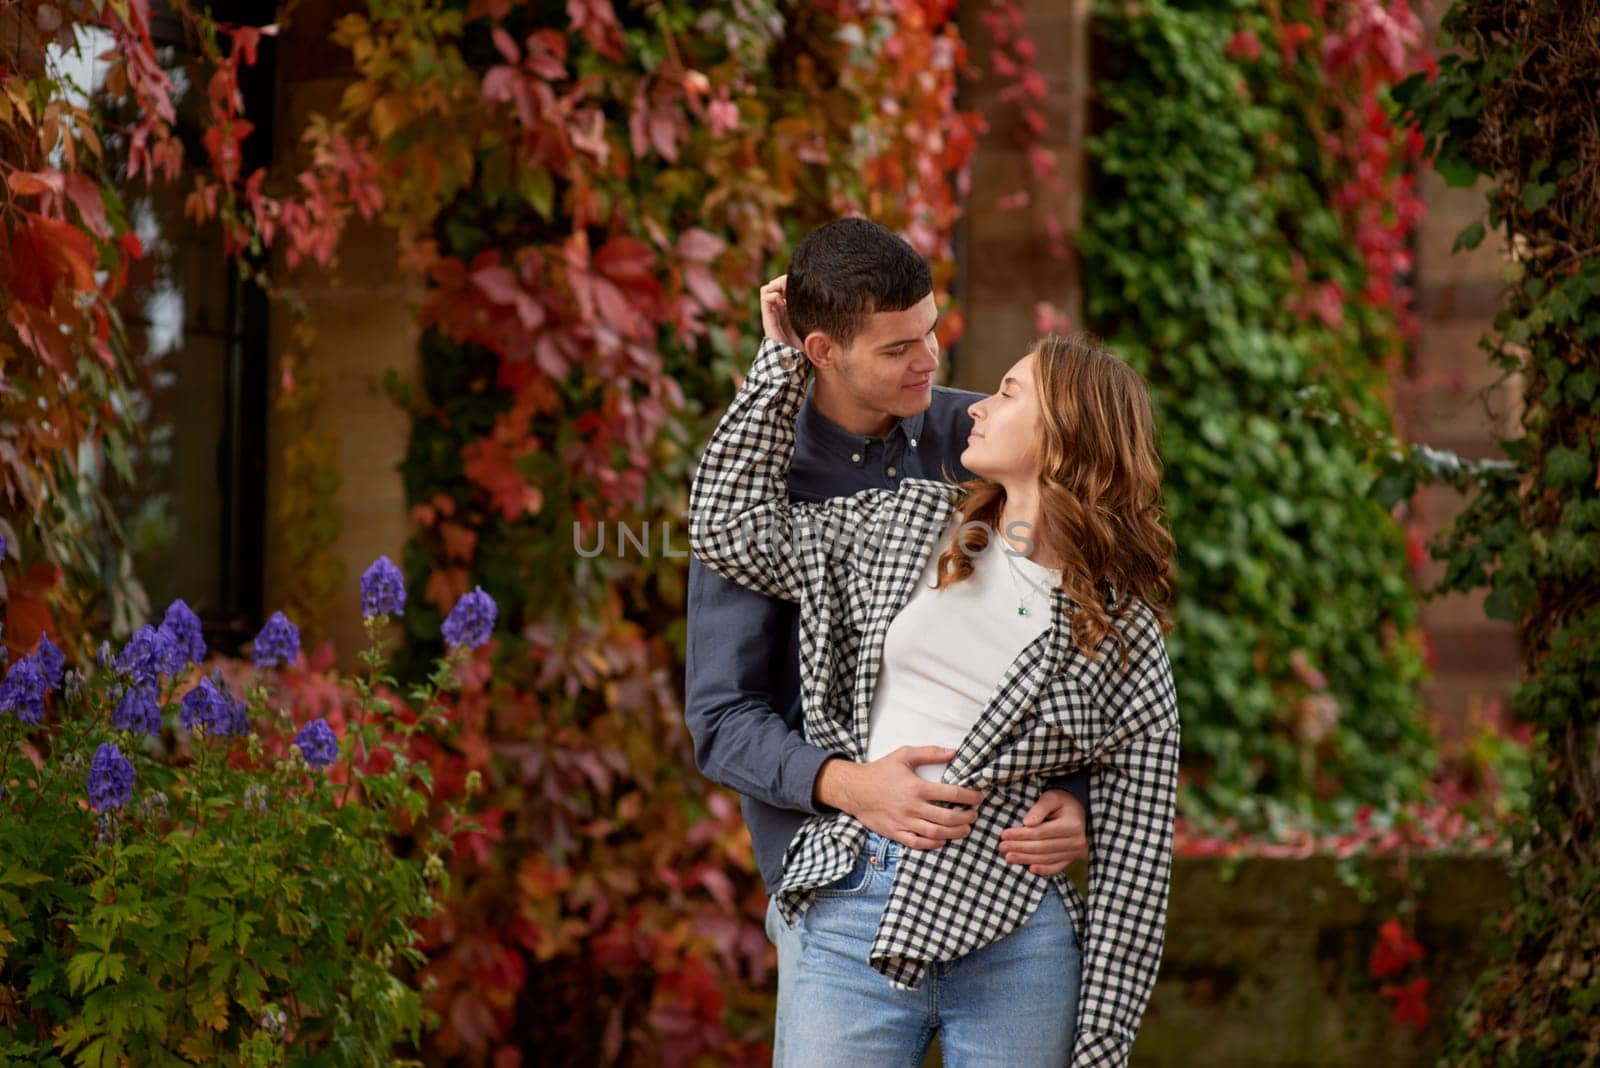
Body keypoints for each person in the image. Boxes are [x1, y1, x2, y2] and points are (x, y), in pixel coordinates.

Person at [688, 265, 1180, 1066]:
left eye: (1011, 393)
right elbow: (731, 531)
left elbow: (1137, 864)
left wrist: (1100, 1048)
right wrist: (778, 366)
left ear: (1068, 435)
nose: (974, 402)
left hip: (1019, 926)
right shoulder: (913, 523)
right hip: (855, 899)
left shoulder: (1123, 634)